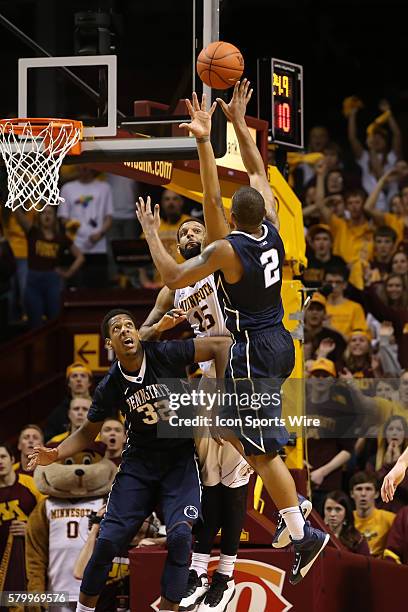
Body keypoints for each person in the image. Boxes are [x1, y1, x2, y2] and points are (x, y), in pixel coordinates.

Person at [137, 81, 330, 587]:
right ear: (259, 211)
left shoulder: (226, 251)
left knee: (262, 452)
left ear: (228, 221)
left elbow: (176, 276)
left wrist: (153, 236)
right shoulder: (270, 224)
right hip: (280, 342)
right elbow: (255, 170)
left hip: (252, 352)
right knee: (223, 426)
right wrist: (240, 127)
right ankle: (295, 500)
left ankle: (303, 530)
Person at [28, 308, 230, 612]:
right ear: (110, 343)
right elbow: (86, 434)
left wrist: (221, 403)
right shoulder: (110, 384)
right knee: (107, 542)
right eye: (117, 328)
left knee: (179, 538)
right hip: (139, 464)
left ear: (138, 332)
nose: (125, 330)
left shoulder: (164, 352)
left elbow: (221, 346)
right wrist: (55, 454)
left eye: (129, 325)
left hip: (178, 459)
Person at [139, 217, 253, 611]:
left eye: (195, 231)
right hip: (207, 382)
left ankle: (227, 575)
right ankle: (201, 572)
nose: (188, 236)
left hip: (240, 376)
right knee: (211, 482)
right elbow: (146, 329)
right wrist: (139, 336)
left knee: (236, 486)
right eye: (183, 233)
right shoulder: (174, 287)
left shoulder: (220, 264)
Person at [14, 206, 84, 328]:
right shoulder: (33, 232)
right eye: (43, 213)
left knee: (55, 320)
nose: (47, 216)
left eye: (50, 213)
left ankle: (55, 346)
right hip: (33, 282)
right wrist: (15, 197)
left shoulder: (61, 237)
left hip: (52, 281)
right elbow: (17, 213)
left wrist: (68, 273)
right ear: (39, 217)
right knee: (35, 323)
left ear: (55, 217)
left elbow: (80, 257)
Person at [305, 358, 356, 513]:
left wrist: (322, 472)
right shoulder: (298, 406)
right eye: (316, 375)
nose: (320, 379)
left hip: (327, 483)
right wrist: (300, 463)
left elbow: (348, 451)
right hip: (299, 478)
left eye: (325, 375)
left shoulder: (342, 409)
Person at [58, 167, 113, 288]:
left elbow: (109, 218)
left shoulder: (104, 187)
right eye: (82, 167)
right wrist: (75, 228)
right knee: (74, 289)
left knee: (98, 289)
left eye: (87, 167)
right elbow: (63, 217)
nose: (84, 169)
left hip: (98, 248)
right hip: (74, 247)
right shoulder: (67, 188)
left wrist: (100, 233)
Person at [0, 442, 43, 593]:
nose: (0, 461)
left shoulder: (31, 484)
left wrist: (30, 530)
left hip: (32, 559)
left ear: (12, 459)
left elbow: (47, 518)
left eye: (3, 456)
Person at [367, 415, 408, 512]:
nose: (394, 432)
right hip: (378, 512)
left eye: (399, 429)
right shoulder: (373, 460)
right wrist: (387, 465)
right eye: (391, 429)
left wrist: (397, 463)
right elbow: (371, 488)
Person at [44, 362, 93, 442]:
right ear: (69, 383)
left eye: (83, 376)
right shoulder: (58, 413)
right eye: (74, 376)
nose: (78, 379)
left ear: (89, 382)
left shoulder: (101, 407)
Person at [350, 471, 395, 557]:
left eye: (368, 489)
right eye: (359, 489)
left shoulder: (389, 519)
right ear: (352, 493)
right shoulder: (347, 519)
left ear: (377, 494)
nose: (363, 494)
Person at [303, 292, 346, 367]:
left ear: (325, 313)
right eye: (310, 309)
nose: (314, 312)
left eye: (318, 309)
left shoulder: (335, 338)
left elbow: (340, 364)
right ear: (304, 312)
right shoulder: (296, 335)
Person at [324, 267, 368, 338]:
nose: (333, 286)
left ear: (345, 285)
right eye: (330, 282)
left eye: (338, 282)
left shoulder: (355, 308)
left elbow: (359, 337)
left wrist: (331, 329)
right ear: (324, 284)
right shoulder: (317, 307)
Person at [323, 490, 369, 555]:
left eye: (338, 509)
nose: (332, 514)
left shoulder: (357, 539)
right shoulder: (317, 535)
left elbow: (367, 563)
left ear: (346, 512)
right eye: (329, 509)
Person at [303, 224, 347, 288]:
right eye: (317, 239)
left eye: (325, 239)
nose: (321, 242)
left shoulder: (339, 263)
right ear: (312, 243)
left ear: (331, 243)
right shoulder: (306, 263)